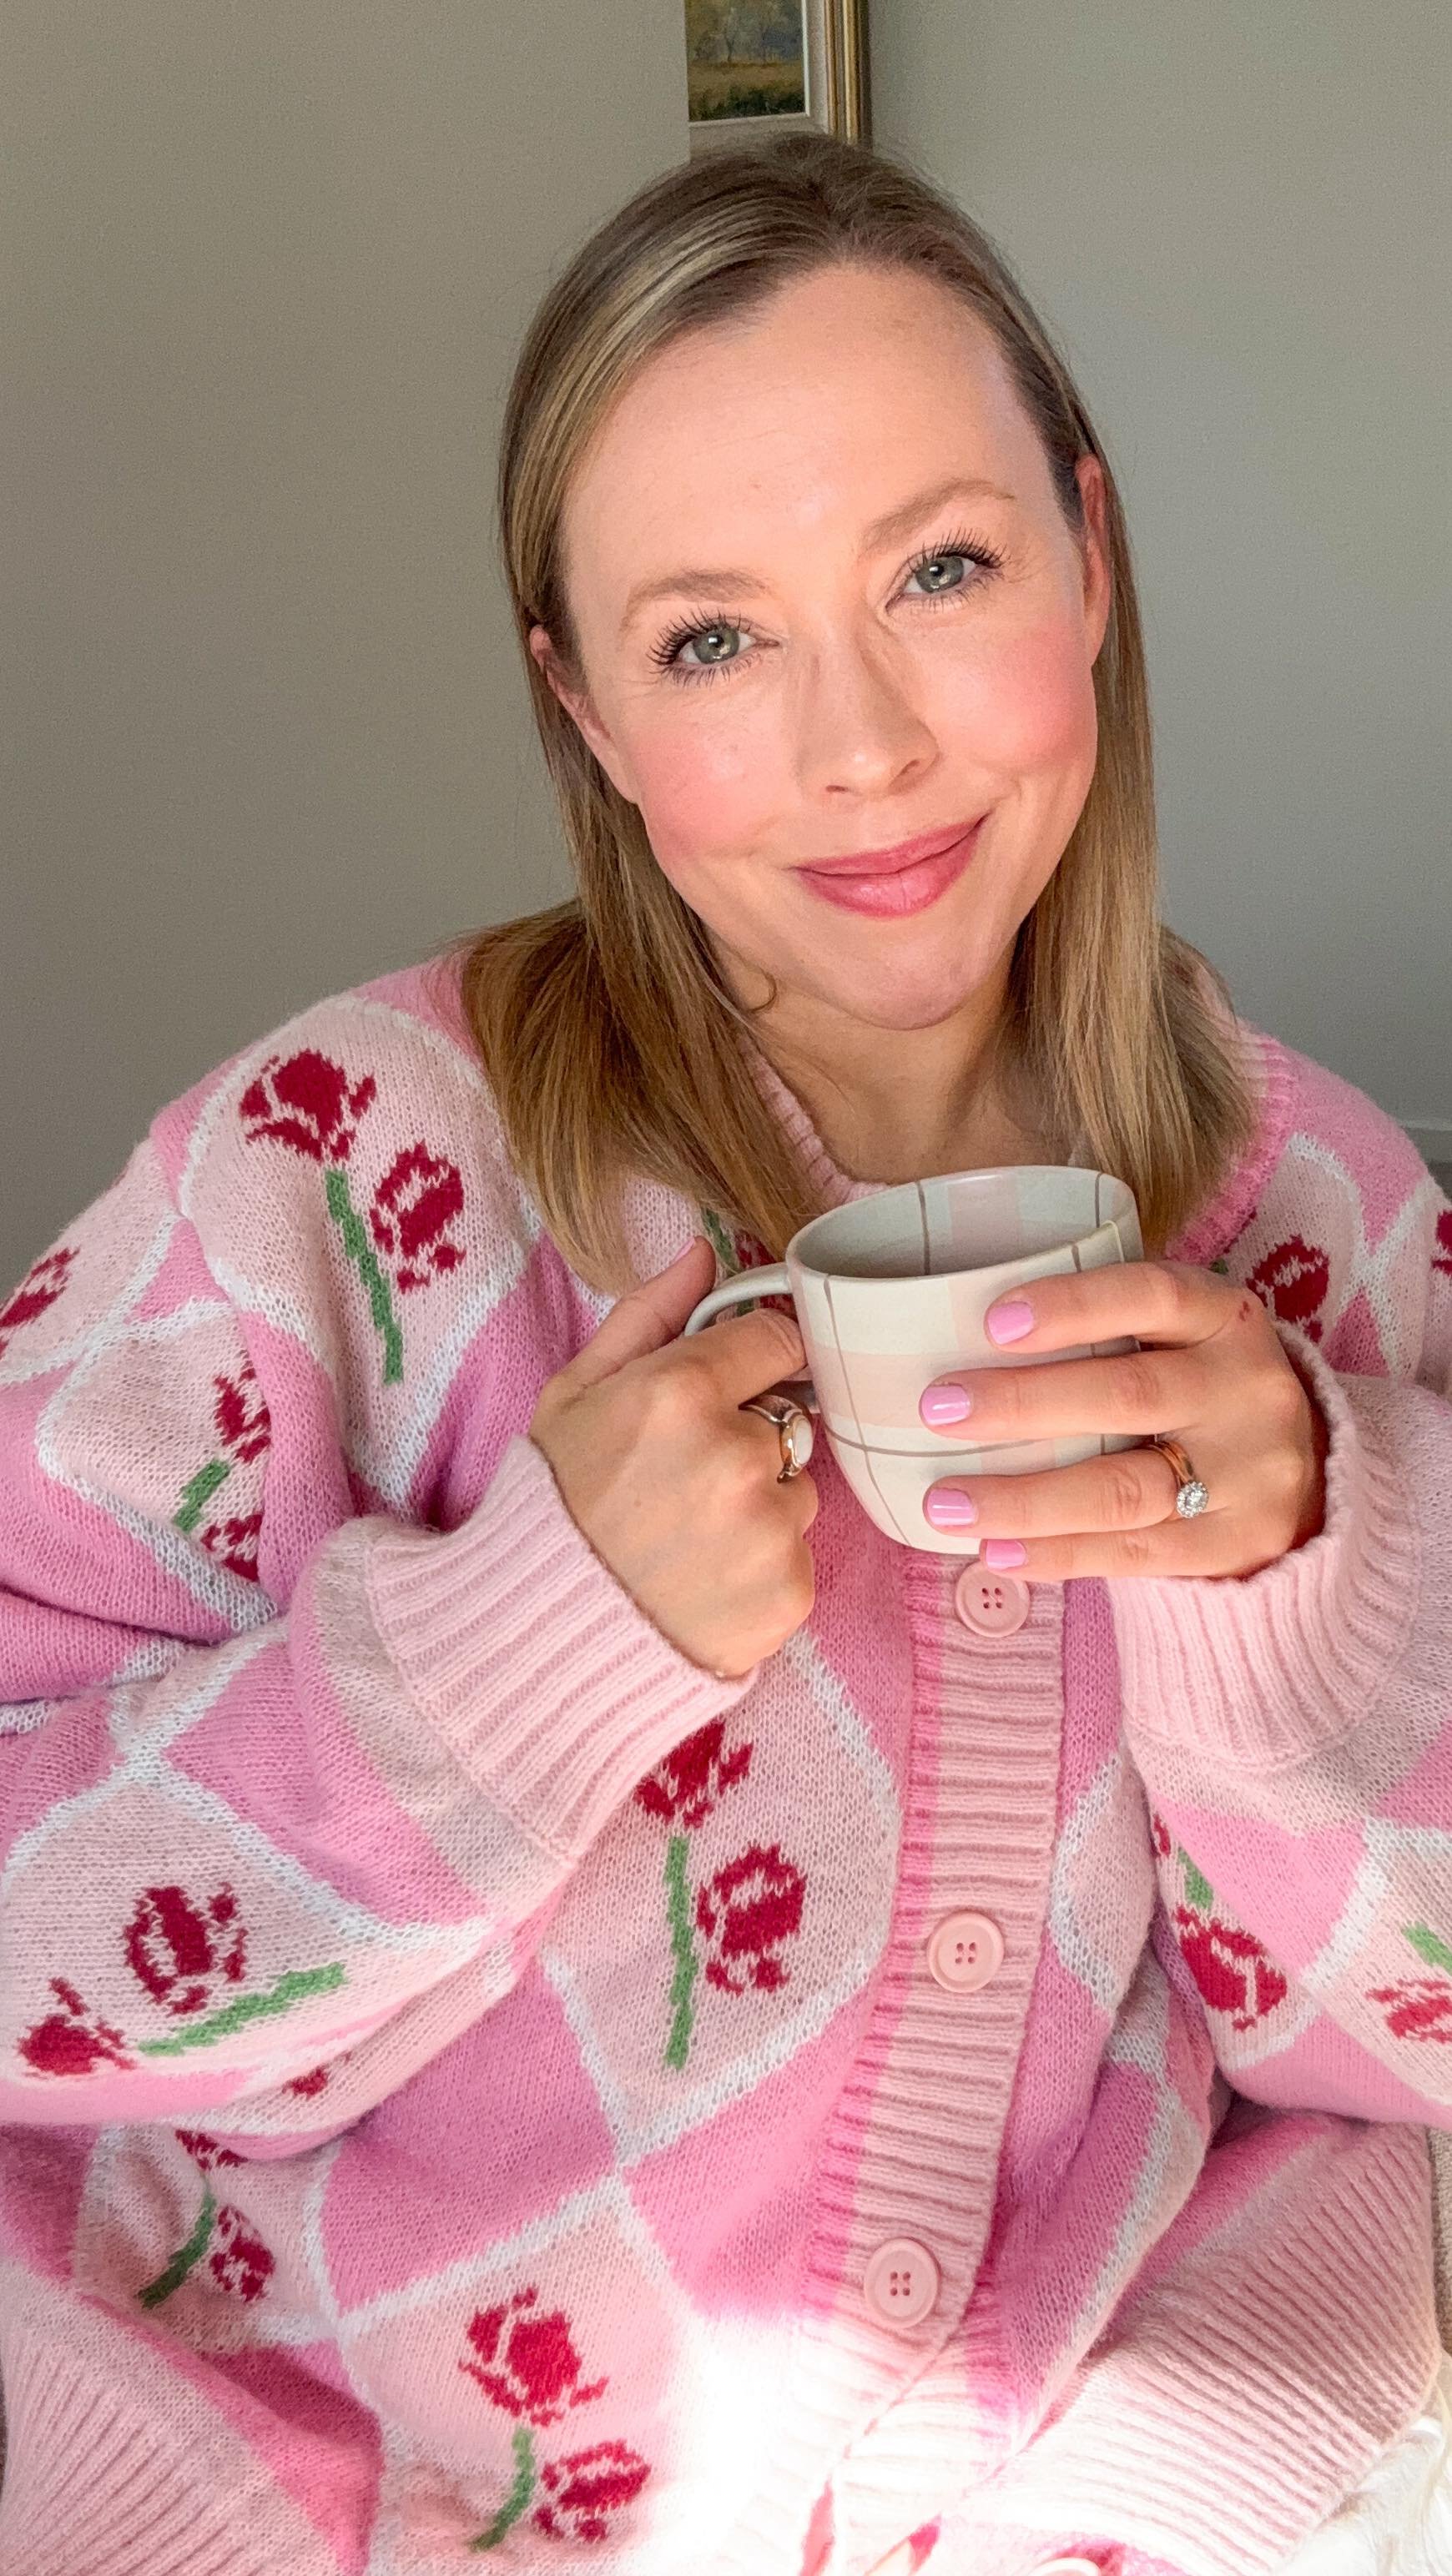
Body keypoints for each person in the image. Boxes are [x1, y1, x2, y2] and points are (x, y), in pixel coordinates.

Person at [1, 130, 1449, 2576]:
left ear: (1091, 558)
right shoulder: (336, 1170)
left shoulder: (1332, 1223)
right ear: (577, 703)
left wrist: (1314, 1586)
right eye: (710, 641)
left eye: (943, 571)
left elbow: (1379, 2087)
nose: (861, 745)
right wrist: (501, 1659)